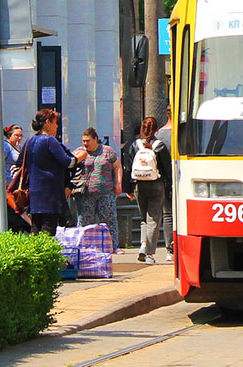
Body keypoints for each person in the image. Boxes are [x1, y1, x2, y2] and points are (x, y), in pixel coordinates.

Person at [14, 109, 87, 236]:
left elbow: (18, 164)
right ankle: (44, 250)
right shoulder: (50, 141)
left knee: (35, 228)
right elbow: (68, 162)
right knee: (48, 229)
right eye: (55, 123)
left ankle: (35, 249)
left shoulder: (30, 140)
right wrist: (80, 157)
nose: (57, 126)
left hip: (34, 194)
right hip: (50, 194)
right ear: (48, 122)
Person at [123, 116, 172, 264]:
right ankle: (150, 254)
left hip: (138, 184)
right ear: (156, 129)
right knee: (154, 219)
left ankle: (143, 245)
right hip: (156, 184)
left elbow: (128, 168)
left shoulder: (135, 145)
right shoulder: (160, 146)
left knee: (144, 217)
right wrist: (169, 186)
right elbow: (167, 169)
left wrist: (128, 188)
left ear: (142, 130)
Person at [73, 127, 122, 251]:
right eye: (83, 141)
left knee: (109, 220)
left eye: (88, 140)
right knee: (84, 221)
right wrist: (79, 158)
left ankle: (113, 246)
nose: (85, 143)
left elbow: (117, 166)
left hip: (106, 193)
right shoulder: (79, 152)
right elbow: (70, 166)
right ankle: (83, 247)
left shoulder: (107, 151)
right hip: (85, 194)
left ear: (95, 139)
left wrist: (118, 183)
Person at [0, 124, 30, 232]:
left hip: (18, 183)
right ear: (9, 135)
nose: (19, 138)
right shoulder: (6, 146)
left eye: (21, 136)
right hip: (9, 183)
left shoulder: (19, 147)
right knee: (15, 209)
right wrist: (2, 180)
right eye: (16, 135)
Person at [154, 106, 175, 261]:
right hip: (180, 177)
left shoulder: (159, 134)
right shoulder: (182, 131)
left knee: (168, 214)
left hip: (163, 180)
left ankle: (170, 249)